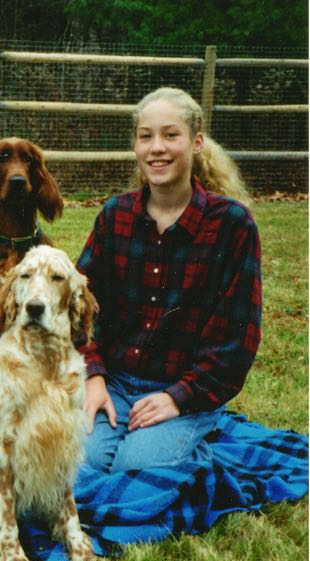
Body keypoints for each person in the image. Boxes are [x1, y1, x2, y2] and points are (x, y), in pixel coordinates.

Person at [77, 87, 262, 473]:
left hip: (187, 391)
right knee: (78, 468)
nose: (156, 147)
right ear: (136, 146)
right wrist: (92, 377)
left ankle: (197, 448)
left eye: (170, 135)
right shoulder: (115, 216)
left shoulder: (232, 225)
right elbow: (77, 310)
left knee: (136, 470)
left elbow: (236, 342)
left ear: (196, 143)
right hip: (113, 383)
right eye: (146, 136)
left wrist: (179, 398)